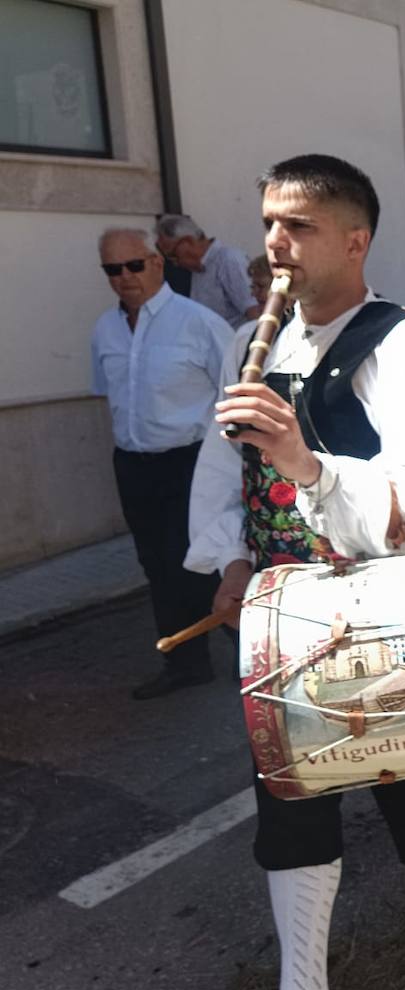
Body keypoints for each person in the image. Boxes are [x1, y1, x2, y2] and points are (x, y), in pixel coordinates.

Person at [185, 154, 405, 990]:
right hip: (275, 613)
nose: (274, 243)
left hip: (375, 613)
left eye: (297, 226)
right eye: (268, 223)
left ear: (355, 239)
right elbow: (219, 469)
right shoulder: (250, 340)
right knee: (291, 793)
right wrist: (227, 558)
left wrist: (305, 462)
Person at [91, 227, 232, 700]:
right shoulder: (105, 329)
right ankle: (185, 662)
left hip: (191, 462)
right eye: (113, 269)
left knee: (206, 560)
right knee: (158, 564)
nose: (124, 277)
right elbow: (108, 394)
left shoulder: (199, 323)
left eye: (133, 265)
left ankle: (256, 650)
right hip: (134, 464)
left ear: (157, 262)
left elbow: (234, 391)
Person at [155, 213, 260, 326]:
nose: (175, 264)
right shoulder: (198, 270)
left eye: (173, 255)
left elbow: (254, 310)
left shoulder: (228, 260)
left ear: (188, 242)